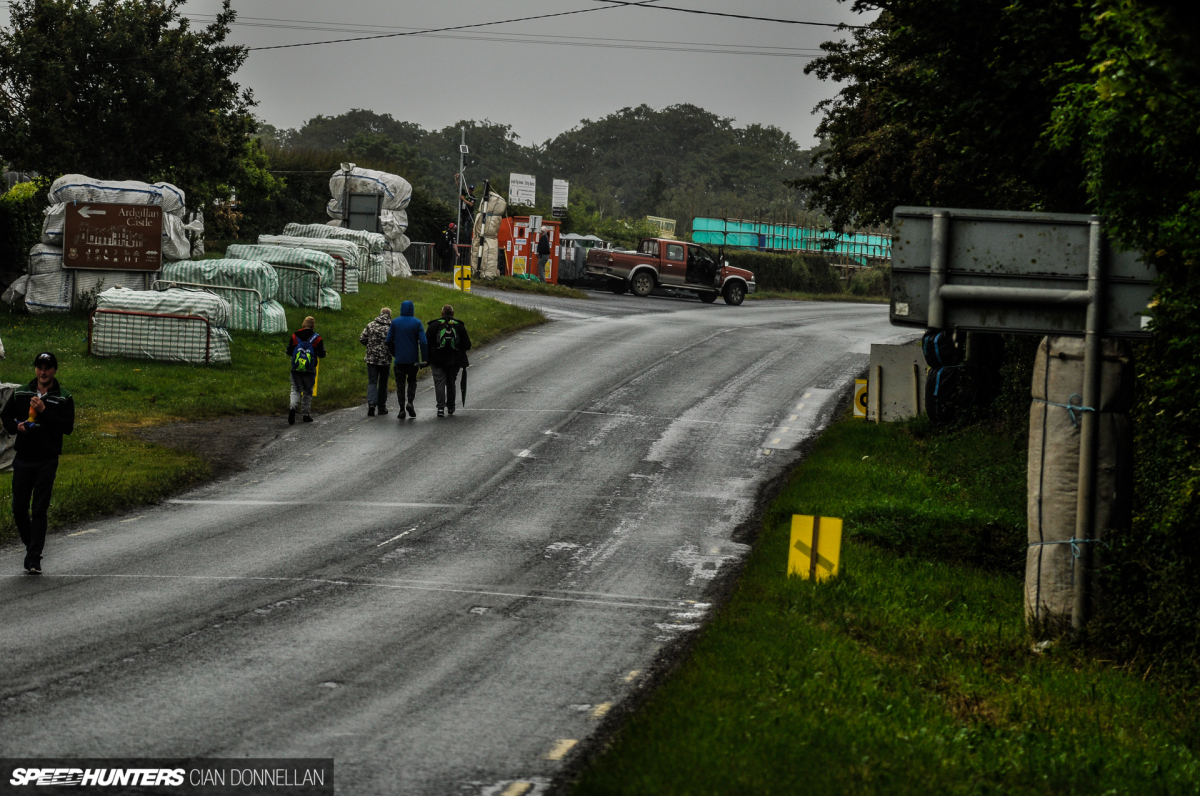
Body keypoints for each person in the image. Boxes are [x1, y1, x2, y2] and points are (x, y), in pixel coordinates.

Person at [0, 352, 75, 575]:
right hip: (23, 458)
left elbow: (67, 427)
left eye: (47, 368)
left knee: (39, 508)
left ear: (54, 370)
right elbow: (5, 417)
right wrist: (16, 428)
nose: (43, 372)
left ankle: (34, 558)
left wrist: (44, 412)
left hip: (47, 460)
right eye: (39, 367)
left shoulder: (63, 397)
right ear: (35, 369)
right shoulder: (22, 392)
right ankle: (31, 545)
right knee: (18, 508)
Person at [426, 304, 472, 418]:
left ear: (442, 313)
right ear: (453, 313)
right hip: (454, 360)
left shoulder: (434, 325)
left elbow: (426, 343)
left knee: (439, 383)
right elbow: (467, 345)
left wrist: (427, 358)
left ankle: (440, 408)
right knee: (451, 382)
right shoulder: (459, 326)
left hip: (437, 359)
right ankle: (451, 406)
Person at [385, 300, 428, 419]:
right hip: (412, 360)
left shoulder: (395, 322)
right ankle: (410, 402)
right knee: (412, 381)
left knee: (400, 384)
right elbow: (423, 342)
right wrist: (424, 359)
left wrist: (394, 353)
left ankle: (401, 409)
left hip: (399, 360)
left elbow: (388, 340)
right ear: (412, 309)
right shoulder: (417, 323)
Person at [286, 316, 326, 425]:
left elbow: (289, 352)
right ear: (313, 326)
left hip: (296, 369)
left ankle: (293, 407)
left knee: (295, 389)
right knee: (308, 391)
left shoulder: (295, 336)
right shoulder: (317, 338)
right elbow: (322, 354)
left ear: (303, 324)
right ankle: (306, 415)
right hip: (309, 369)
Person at [359, 307, 392, 417]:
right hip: (385, 360)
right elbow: (394, 342)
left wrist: (370, 346)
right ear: (389, 315)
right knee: (383, 383)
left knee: (372, 381)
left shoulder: (371, 325)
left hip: (371, 359)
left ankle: (371, 405)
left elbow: (362, 338)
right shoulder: (391, 327)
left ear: (380, 313)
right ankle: (381, 407)